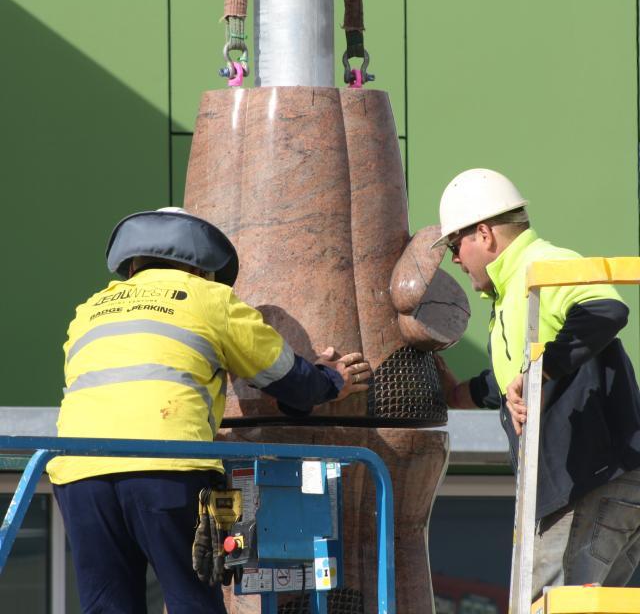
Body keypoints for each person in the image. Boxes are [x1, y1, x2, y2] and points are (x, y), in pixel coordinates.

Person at [46, 207, 372, 614]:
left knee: (107, 605)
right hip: (166, 466)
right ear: (202, 266)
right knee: (191, 601)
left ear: (132, 264)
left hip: (79, 475)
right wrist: (330, 380)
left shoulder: (90, 310)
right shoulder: (207, 298)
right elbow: (287, 378)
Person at [432, 168, 640, 599]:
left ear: (485, 235)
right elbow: (511, 380)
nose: (454, 258)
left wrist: (540, 372)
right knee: (580, 606)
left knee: (544, 602)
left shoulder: (541, 266)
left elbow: (605, 310)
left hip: (589, 481)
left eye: (456, 245)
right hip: (594, 481)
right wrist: (459, 394)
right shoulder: (514, 293)